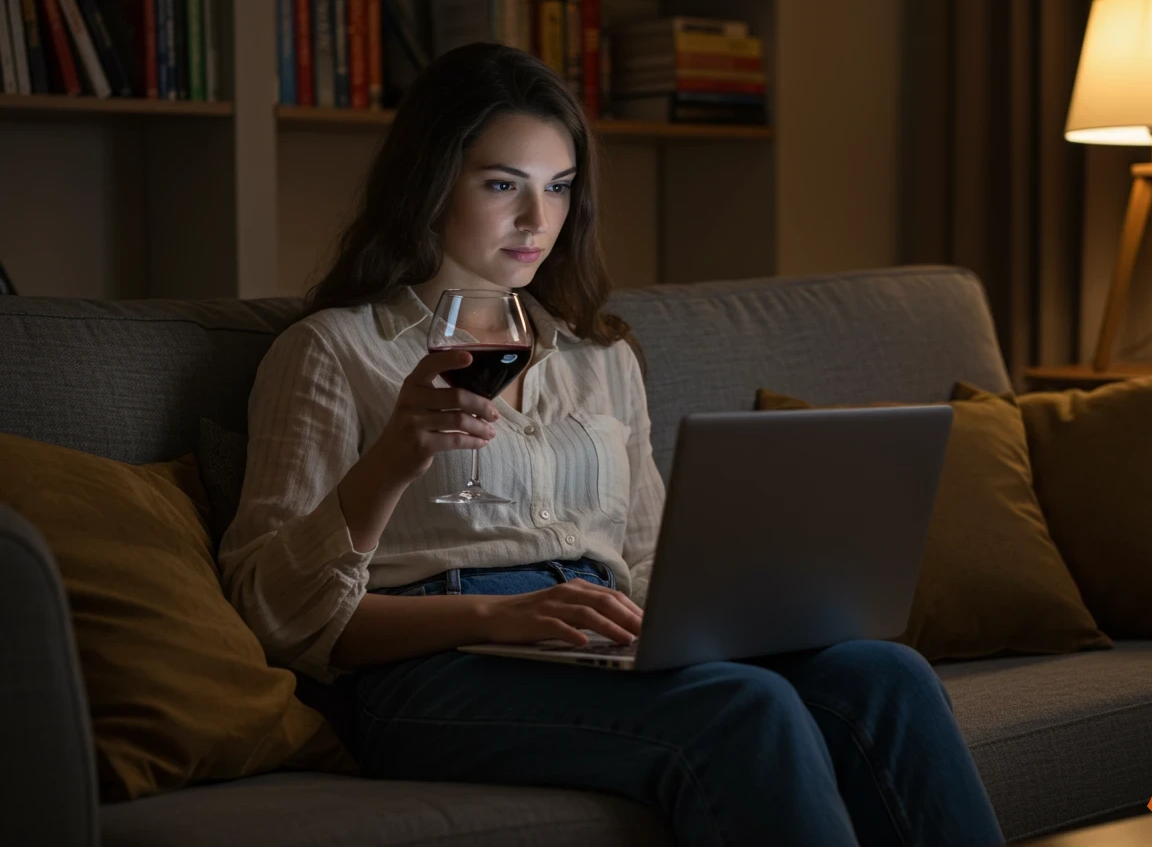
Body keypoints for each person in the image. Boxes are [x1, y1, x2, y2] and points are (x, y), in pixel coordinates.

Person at [218, 41, 1006, 847]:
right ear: (428, 183)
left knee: (884, 676)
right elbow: (273, 609)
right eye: (502, 185)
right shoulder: (332, 352)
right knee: (744, 707)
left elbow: (648, 555)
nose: (538, 222)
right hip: (432, 672)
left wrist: (739, 615)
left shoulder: (601, 357)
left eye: (558, 189)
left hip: (600, 635)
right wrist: (406, 481)